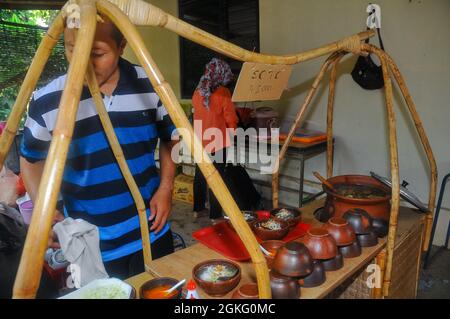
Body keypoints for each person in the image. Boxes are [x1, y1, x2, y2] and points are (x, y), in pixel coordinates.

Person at [19, 18, 177, 280]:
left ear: (122, 46)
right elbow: (31, 160)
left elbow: (172, 139)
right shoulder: (48, 100)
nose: (82, 62)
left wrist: (166, 188)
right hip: (87, 242)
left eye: (96, 53)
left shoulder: (151, 85)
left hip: (151, 228)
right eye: (71, 48)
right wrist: (43, 210)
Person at [191, 58, 238, 223]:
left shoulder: (198, 91)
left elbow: (197, 115)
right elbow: (230, 118)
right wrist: (233, 132)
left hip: (199, 142)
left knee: (200, 176)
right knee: (217, 178)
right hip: (217, 143)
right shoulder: (223, 92)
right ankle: (215, 215)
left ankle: (198, 209)